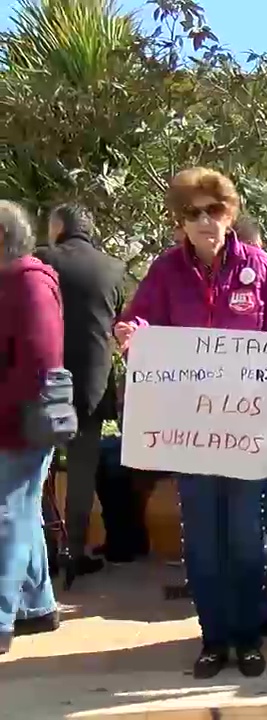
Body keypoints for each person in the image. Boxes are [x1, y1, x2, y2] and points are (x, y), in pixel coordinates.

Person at [113, 168, 267, 678]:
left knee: (247, 538)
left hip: (250, 434)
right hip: (191, 434)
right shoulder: (164, 273)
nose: (204, 221)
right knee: (202, 541)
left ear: (230, 213)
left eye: (213, 210)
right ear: (180, 222)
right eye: (192, 213)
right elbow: (144, 323)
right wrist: (131, 333)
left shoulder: (263, 270)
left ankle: (248, 636)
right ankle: (213, 638)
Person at [34, 204, 125, 585]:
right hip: (92, 384)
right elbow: (116, 318)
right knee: (83, 472)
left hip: (44, 381)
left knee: (39, 470)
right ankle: (76, 553)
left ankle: (44, 549)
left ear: (58, 228)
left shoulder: (42, 259)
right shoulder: (113, 268)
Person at [0, 201, 64, 656]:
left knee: (7, 515)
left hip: (19, 422)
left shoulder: (28, 286)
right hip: (14, 418)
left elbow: (40, 363)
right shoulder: (13, 284)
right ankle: (38, 606)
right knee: (21, 510)